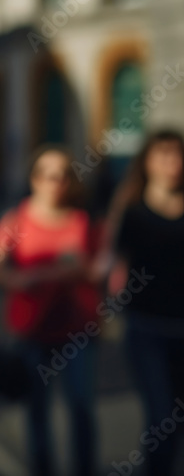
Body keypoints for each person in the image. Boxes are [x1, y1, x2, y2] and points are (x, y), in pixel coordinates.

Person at [0, 145, 98, 476]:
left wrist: (71, 270)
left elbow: (96, 271)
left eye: (62, 176)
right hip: (31, 332)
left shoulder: (81, 221)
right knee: (38, 411)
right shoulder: (16, 220)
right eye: (47, 175)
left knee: (82, 408)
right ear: (34, 179)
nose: (55, 182)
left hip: (77, 331)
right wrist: (17, 278)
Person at [106, 130, 184, 476]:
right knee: (160, 416)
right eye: (163, 155)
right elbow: (115, 262)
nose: (172, 163)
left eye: (177, 155)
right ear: (148, 162)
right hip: (145, 328)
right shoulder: (133, 208)